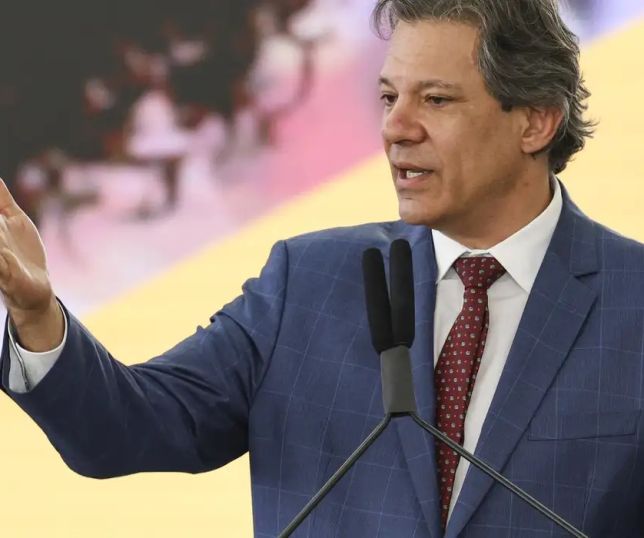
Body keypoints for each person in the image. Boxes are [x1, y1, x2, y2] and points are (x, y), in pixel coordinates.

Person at [0, 0, 641, 536]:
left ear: (536, 121)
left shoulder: (632, 301)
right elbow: (125, 429)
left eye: (436, 100)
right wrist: (38, 314)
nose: (396, 127)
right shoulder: (308, 280)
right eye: (388, 97)